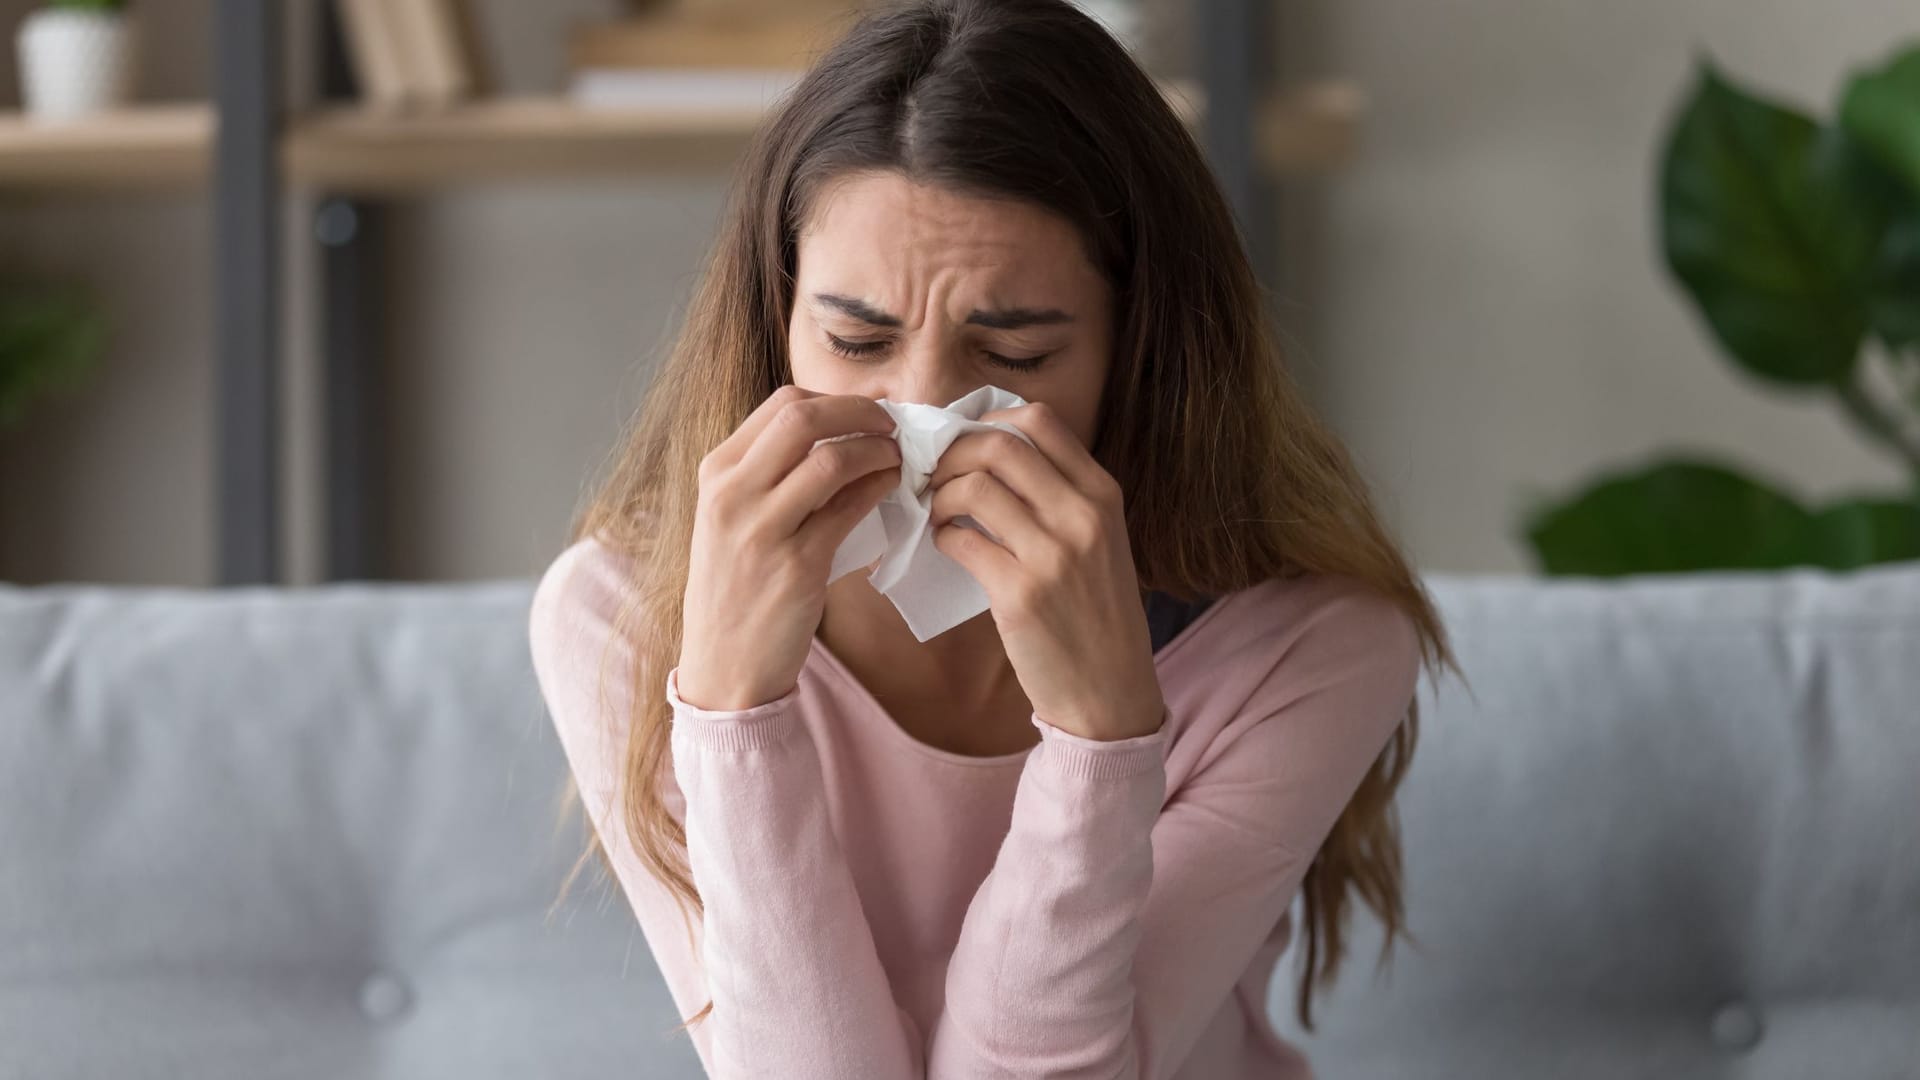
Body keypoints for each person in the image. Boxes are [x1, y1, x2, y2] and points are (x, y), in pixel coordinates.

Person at [529, 0, 1463, 1075]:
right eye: (856, 339)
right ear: (778, 323)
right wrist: (735, 714)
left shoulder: (1311, 647)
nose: (922, 412)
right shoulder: (621, 618)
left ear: (1141, 352)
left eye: (1014, 356)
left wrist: (1104, 739)